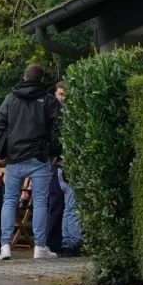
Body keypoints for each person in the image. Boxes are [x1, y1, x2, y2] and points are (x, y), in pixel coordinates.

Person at [0, 64, 60, 260]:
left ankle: (5, 245)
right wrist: (55, 151)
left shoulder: (11, 98)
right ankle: (39, 247)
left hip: (15, 157)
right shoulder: (49, 100)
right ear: (42, 79)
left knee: (9, 200)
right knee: (40, 202)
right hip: (39, 157)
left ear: (24, 77)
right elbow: (58, 126)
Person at [54, 81, 83, 257]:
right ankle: (74, 242)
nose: (63, 98)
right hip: (68, 166)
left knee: (68, 207)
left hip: (61, 167)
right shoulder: (68, 117)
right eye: (61, 94)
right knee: (73, 207)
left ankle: (67, 241)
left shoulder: (57, 115)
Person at [45, 81, 67, 255]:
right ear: (55, 94)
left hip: (62, 163)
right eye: (61, 94)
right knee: (56, 203)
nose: (63, 98)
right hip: (54, 163)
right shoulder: (51, 113)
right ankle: (52, 244)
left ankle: (61, 242)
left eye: (65, 95)